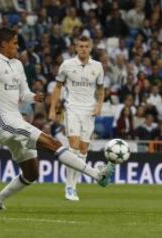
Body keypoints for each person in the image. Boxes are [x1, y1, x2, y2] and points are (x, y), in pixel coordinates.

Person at [0, 28, 114, 210]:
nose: (18, 46)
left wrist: (34, 97)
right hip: (4, 124)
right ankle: (97, 175)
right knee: (52, 143)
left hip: (16, 121)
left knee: (31, 173)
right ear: (4, 44)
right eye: (15, 43)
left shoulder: (17, 64)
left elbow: (23, 93)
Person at [49, 35, 105, 201]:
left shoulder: (98, 67)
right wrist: (53, 108)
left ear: (91, 48)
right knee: (73, 146)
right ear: (76, 48)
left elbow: (101, 89)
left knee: (83, 150)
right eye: (80, 46)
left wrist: (99, 105)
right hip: (72, 108)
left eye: (86, 46)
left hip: (89, 112)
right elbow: (57, 87)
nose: (83, 49)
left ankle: (74, 186)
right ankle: (69, 187)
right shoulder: (67, 65)